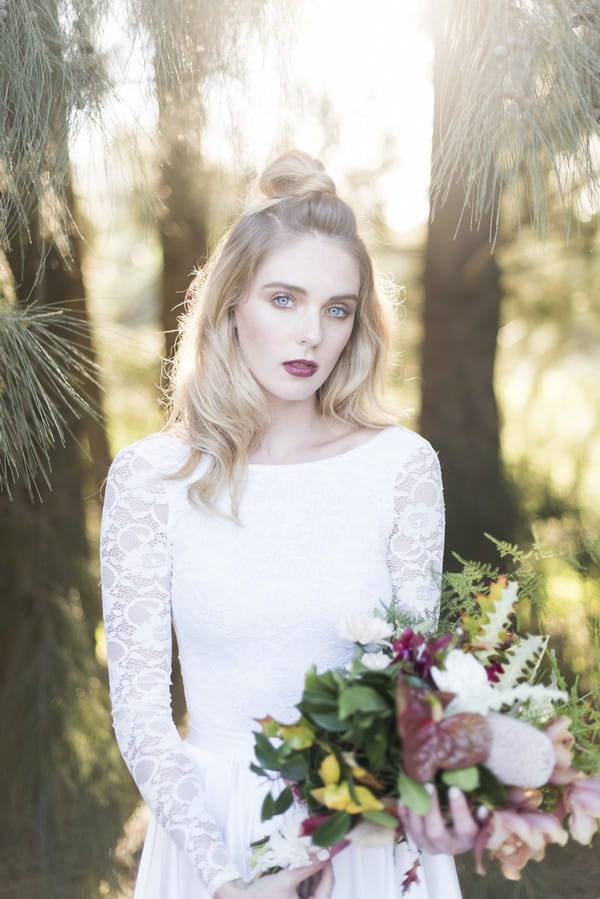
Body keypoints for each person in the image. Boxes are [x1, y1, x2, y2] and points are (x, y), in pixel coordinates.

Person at [100, 150, 474, 899]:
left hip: (366, 841)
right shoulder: (151, 478)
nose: (312, 334)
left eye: (337, 309)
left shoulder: (401, 467)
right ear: (233, 300)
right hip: (211, 836)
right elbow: (141, 714)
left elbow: (411, 686)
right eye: (284, 299)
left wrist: (444, 785)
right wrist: (222, 882)